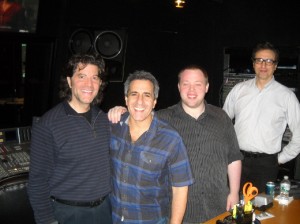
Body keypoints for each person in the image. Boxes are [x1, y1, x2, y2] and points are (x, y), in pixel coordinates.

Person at [108, 66, 243, 223]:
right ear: (179, 87)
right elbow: (140, 112)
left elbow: (233, 157)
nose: (191, 89)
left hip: (216, 205)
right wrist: (121, 110)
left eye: (198, 84)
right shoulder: (162, 118)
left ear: (206, 87)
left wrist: (234, 192)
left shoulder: (222, 117)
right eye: (186, 83)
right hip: (178, 210)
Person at [28, 53, 112, 224]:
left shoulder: (105, 119)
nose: (89, 84)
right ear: (69, 81)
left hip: (105, 209)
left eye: (95, 77)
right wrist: (46, 221)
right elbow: (37, 182)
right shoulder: (48, 124)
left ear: (100, 83)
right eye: (81, 76)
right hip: (69, 214)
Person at [110, 70, 194, 224]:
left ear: (155, 101)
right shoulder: (113, 127)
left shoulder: (170, 139)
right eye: (134, 94)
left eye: (147, 95)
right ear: (126, 99)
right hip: (114, 218)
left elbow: (180, 188)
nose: (139, 101)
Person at [223, 41, 300, 193]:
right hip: (236, 159)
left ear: (275, 65)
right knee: (231, 207)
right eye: (259, 60)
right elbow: (222, 123)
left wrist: (278, 160)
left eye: (269, 61)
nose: (263, 65)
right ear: (253, 63)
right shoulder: (239, 90)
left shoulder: (287, 96)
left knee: (261, 211)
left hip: (266, 165)